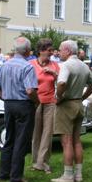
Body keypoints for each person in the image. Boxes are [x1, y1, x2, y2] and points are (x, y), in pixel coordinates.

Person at [0, 37, 39, 182]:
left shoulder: (4, 65)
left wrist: (5, 97)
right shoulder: (27, 67)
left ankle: (3, 173)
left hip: (9, 104)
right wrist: (37, 102)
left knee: (9, 138)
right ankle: (16, 176)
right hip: (23, 105)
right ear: (27, 51)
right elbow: (30, 90)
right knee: (21, 140)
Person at [52, 40, 92, 182]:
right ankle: (78, 174)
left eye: (60, 50)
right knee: (77, 141)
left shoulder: (66, 65)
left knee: (66, 142)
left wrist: (59, 96)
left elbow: (62, 83)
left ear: (67, 50)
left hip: (66, 105)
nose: (58, 52)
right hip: (78, 103)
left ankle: (68, 175)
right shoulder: (83, 65)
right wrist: (83, 96)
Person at [30, 39, 59, 174]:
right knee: (36, 132)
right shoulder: (30, 65)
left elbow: (61, 82)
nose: (51, 53)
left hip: (50, 102)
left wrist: (54, 74)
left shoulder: (54, 65)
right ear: (41, 51)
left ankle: (44, 162)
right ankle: (36, 162)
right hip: (35, 102)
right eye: (49, 50)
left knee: (47, 133)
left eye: (52, 50)